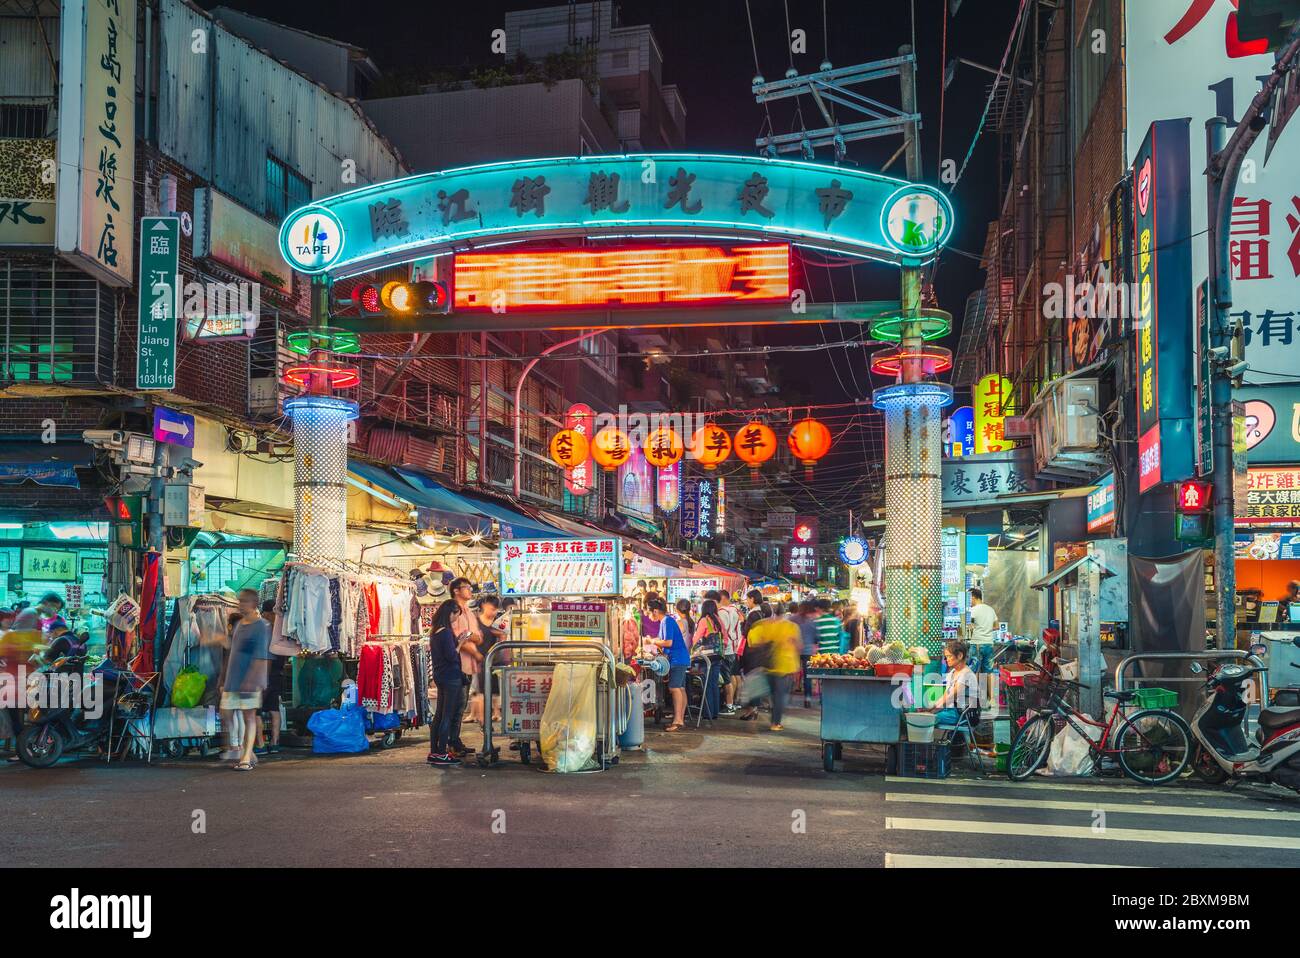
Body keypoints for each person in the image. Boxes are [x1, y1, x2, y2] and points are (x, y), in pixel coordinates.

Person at [220, 588, 272, 771]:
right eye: (239, 601)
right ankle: (245, 750)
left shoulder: (261, 626)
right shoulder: (239, 625)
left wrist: (252, 679)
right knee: (226, 712)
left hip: (251, 680)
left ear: (253, 603)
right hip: (233, 679)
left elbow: (261, 656)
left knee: (249, 716)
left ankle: (246, 757)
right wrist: (223, 678)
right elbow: (232, 652)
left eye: (244, 601)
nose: (240, 604)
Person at [737, 606, 801, 731]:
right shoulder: (792, 627)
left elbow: (752, 642)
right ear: (784, 614)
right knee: (780, 696)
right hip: (784, 666)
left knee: (770, 694)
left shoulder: (763, 625)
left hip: (767, 666)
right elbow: (798, 645)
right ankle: (775, 723)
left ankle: (758, 712)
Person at [427, 598, 465, 766]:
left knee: (439, 715)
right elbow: (451, 656)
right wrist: (461, 642)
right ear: (450, 613)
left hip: (440, 675)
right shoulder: (446, 633)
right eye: (456, 615)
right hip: (451, 676)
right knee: (447, 715)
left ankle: (434, 751)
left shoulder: (435, 631)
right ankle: (442, 752)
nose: (456, 618)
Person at [448, 577, 480, 758]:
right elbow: (458, 638)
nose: (470, 590)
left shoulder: (468, 611)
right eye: (466, 587)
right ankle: (451, 743)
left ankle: (455, 740)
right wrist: (474, 651)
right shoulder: (454, 611)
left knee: (461, 706)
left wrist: (471, 639)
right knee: (455, 706)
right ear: (456, 591)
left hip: (467, 665)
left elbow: (477, 637)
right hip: (457, 664)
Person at [646, 598, 689, 731]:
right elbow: (663, 641)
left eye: (649, 612)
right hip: (679, 658)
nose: (648, 615)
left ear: (655, 611)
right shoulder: (666, 621)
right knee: (680, 688)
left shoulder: (667, 621)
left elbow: (668, 642)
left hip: (678, 659)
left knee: (674, 688)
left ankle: (677, 721)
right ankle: (680, 719)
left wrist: (652, 641)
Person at [255, 600, 285, 755]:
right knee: (274, 709)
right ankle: (275, 743)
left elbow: (263, 657)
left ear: (267, 613)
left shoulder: (263, 631)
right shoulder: (280, 631)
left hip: (263, 676)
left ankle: (260, 744)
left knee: (256, 711)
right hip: (278, 674)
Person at [929, 639, 981, 727]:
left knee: (927, 719)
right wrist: (930, 709)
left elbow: (951, 697)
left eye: (949, 656)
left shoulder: (966, 674)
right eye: (946, 657)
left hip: (962, 714)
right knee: (926, 716)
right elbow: (945, 696)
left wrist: (932, 712)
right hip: (951, 710)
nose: (947, 660)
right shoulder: (952, 673)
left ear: (960, 655)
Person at [716, 591, 744, 713]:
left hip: (727, 649)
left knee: (727, 679)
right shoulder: (735, 609)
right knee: (733, 675)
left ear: (722, 598)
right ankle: (734, 702)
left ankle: (729, 705)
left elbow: (724, 632)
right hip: (735, 646)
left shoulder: (723, 612)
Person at [968, 588, 998, 673]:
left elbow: (969, 627)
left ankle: (972, 686)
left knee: (973, 670)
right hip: (989, 644)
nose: (969, 601)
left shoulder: (972, 610)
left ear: (973, 597)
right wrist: (986, 629)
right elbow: (997, 626)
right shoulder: (990, 609)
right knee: (987, 672)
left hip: (977, 643)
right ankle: (984, 686)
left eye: (969, 598)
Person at [796, 601, 820, 708]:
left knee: (790, 673)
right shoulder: (812, 622)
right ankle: (807, 698)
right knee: (807, 676)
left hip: (794, 650)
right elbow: (817, 638)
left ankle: (783, 696)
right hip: (808, 651)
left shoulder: (793, 619)